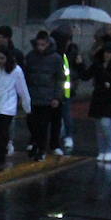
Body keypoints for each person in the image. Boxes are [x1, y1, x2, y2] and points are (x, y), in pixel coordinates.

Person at [81, 46, 111, 162]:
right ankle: (102, 150)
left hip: (110, 98)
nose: (107, 55)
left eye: (110, 53)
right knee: (98, 126)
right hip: (98, 97)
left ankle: (110, 149)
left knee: (106, 125)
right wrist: (79, 64)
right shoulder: (98, 65)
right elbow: (86, 76)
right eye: (106, 52)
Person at [23, 31, 65, 160]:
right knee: (32, 123)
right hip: (33, 95)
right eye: (38, 44)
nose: (40, 47)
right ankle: (37, 144)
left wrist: (57, 97)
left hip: (47, 97)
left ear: (47, 44)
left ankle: (41, 149)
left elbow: (59, 79)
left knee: (43, 124)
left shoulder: (56, 58)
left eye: (42, 44)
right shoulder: (31, 57)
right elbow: (26, 76)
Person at [0, 47, 31, 168]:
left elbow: (22, 90)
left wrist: (27, 107)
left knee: (2, 133)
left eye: (2, 58)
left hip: (7, 106)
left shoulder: (16, 71)